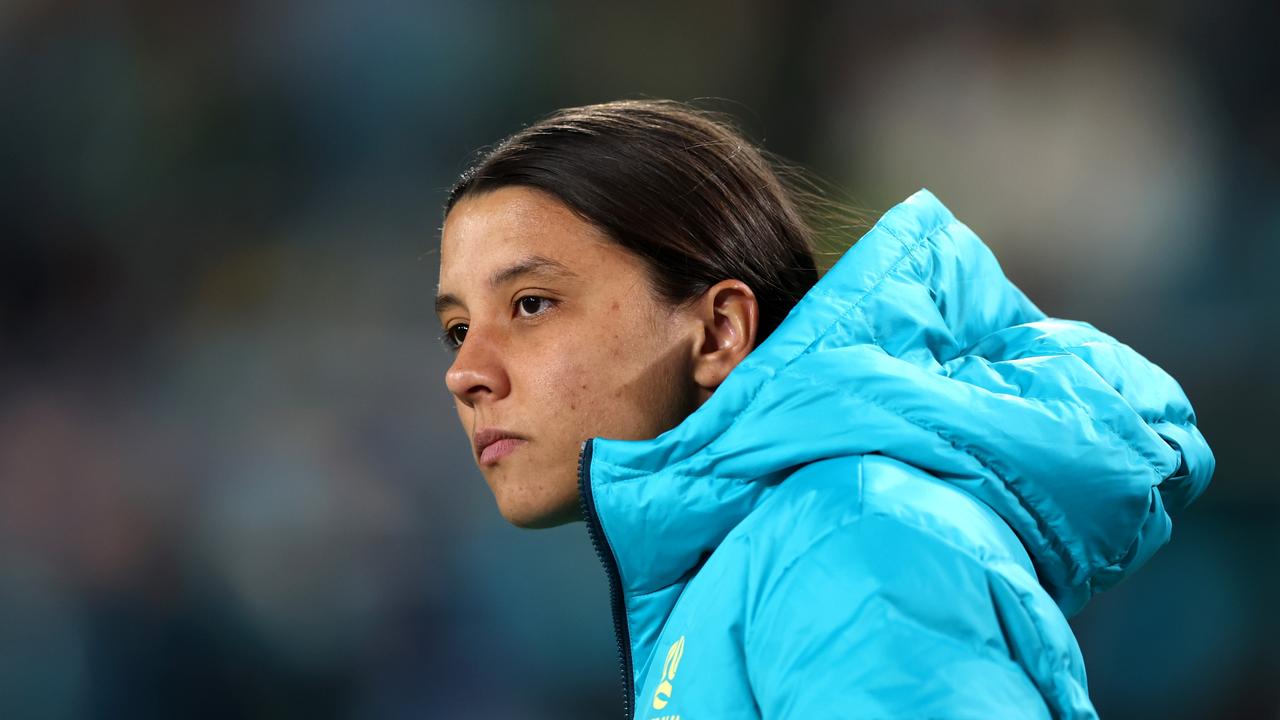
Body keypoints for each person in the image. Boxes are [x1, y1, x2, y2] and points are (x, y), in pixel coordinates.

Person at [433, 99, 1215, 719]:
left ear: (719, 331)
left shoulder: (850, 539)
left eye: (531, 304)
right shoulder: (775, 551)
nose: (465, 372)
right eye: (457, 329)